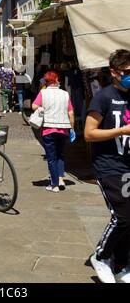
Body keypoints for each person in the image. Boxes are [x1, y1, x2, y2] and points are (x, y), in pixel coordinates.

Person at [84, 49, 130, 284]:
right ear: (114, 72)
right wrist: (121, 131)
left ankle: (121, 265)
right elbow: (89, 134)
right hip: (109, 166)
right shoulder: (103, 97)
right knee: (122, 216)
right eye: (127, 72)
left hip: (128, 164)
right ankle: (100, 256)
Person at [32, 71, 74, 193]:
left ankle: (54, 184)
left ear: (46, 82)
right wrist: (72, 128)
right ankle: (61, 179)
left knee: (51, 157)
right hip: (63, 128)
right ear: (56, 80)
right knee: (60, 154)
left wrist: (40, 108)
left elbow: (34, 105)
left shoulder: (43, 93)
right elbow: (71, 113)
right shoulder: (65, 94)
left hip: (48, 128)